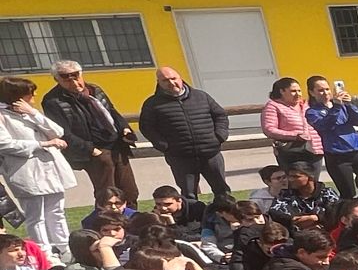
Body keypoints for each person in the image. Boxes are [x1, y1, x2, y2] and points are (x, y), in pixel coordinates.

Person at [40, 59, 138, 208]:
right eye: (66, 78)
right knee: (107, 195)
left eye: (76, 76)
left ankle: (132, 224)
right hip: (93, 151)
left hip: (117, 145)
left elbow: (112, 112)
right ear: (57, 79)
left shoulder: (95, 90)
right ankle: (107, 224)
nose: (73, 82)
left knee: (129, 191)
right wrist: (91, 150)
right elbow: (62, 132)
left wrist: (124, 128)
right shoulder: (53, 101)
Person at [0, 76, 77, 258]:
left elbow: (58, 131)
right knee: (36, 216)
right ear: (16, 95)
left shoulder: (29, 112)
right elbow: (4, 144)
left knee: (56, 210)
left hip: (50, 169)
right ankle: (44, 253)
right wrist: (42, 145)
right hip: (25, 171)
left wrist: (34, 113)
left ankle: (65, 247)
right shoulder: (2, 116)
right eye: (29, 94)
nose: (34, 96)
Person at [138, 66, 235, 205]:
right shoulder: (152, 104)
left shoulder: (201, 96)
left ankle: (228, 218)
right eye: (165, 80)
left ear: (180, 78)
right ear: (159, 82)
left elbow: (220, 116)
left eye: (173, 78)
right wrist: (164, 146)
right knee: (188, 194)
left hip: (211, 153)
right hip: (180, 156)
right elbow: (147, 128)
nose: (171, 83)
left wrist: (219, 136)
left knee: (222, 190)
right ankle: (194, 223)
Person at [302, 75, 358, 201]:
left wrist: (348, 104)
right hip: (337, 156)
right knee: (348, 192)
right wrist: (336, 107)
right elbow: (325, 126)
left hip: (357, 150)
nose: (325, 93)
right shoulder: (312, 112)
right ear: (312, 92)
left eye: (327, 89)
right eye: (320, 90)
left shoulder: (341, 105)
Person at [258, 77, 321, 173]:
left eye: (299, 91)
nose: (298, 94)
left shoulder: (307, 104)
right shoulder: (273, 106)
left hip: (315, 149)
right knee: (297, 181)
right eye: (293, 91)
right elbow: (269, 129)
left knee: (313, 183)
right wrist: (295, 135)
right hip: (293, 150)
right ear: (282, 91)